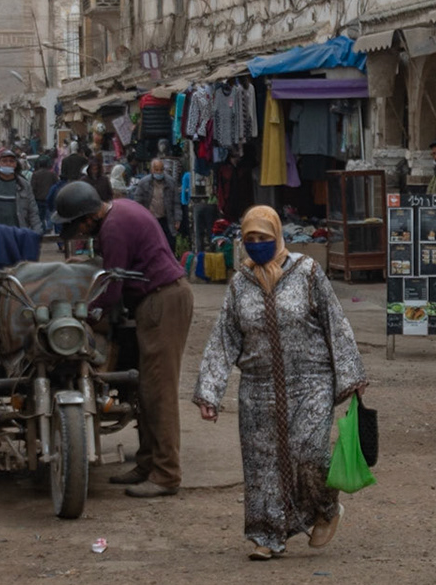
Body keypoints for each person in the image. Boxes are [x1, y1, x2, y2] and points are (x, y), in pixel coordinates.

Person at [194, 205, 367, 559]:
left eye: (264, 238)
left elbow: (336, 322)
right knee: (263, 465)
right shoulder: (240, 283)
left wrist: (351, 376)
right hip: (258, 388)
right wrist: (210, 391)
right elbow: (224, 337)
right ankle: (266, 535)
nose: (257, 244)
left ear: (278, 237)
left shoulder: (307, 272)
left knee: (310, 453)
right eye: (250, 238)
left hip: (311, 381)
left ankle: (325, 510)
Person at [52, 180, 194, 498]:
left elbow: (112, 290)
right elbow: (118, 268)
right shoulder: (121, 209)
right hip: (159, 298)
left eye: (77, 227)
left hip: (162, 301)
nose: (79, 234)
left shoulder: (112, 229)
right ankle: (147, 464)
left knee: (159, 392)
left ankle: (167, 474)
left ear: (87, 219)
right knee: (145, 389)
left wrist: (83, 315)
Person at [133, 157, 176, 245]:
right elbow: (137, 203)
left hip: (166, 219)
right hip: (150, 219)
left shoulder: (170, 182)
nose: (159, 172)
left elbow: (176, 202)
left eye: (161, 170)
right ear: (152, 170)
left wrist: (177, 219)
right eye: (157, 170)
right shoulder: (143, 183)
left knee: (169, 244)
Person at [29, 152, 59, 235]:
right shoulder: (52, 174)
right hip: (50, 199)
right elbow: (56, 185)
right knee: (50, 215)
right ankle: (49, 227)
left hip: (39, 199)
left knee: (40, 217)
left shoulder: (35, 174)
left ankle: (43, 229)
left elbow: (33, 187)